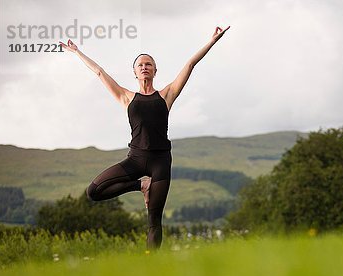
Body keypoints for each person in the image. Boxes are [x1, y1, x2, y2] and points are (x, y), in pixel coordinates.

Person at [59, 26, 230, 249]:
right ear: (135, 72)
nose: (144, 67)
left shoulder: (166, 95)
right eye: (140, 65)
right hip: (135, 159)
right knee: (93, 191)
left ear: (155, 70)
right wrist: (76, 52)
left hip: (160, 162)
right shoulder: (126, 97)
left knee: (153, 221)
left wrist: (212, 41)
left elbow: (190, 65)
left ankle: (151, 267)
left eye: (148, 64)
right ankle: (140, 186)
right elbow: (100, 72)